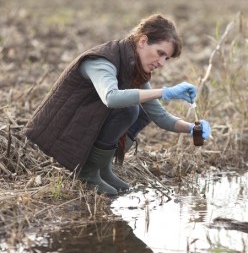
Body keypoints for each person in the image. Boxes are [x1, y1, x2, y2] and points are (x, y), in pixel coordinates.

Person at [24, 14, 211, 195]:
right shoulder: (103, 60)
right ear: (143, 41)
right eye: (160, 54)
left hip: (84, 126)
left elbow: (159, 116)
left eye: (166, 58)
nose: (162, 63)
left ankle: (103, 170)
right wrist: (165, 92)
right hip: (62, 130)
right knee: (129, 109)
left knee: (142, 109)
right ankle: (87, 173)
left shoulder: (134, 67)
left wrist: (193, 129)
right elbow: (111, 98)